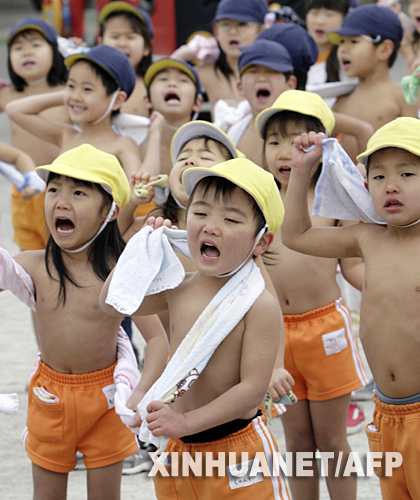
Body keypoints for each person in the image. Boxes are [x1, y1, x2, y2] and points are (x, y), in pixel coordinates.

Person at [100, 157, 291, 499]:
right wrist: (138, 251)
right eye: (200, 214)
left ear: (261, 242)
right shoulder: (179, 288)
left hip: (237, 449)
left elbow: (251, 389)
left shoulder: (260, 305)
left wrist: (186, 423)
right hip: (178, 450)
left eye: (231, 219)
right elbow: (112, 304)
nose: (210, 227)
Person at [0, 144, 168, 498]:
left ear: (110, 210)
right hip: (49, 395)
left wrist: (138, 393)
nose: (61, 201)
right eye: (54, 189)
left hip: (107, 400)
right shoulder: (33, 265)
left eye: (78, 192)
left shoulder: (122, 274)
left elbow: (157, 340)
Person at [281, 115, 420, 500]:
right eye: (378, 177)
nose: (391, 185)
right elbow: (296, 235)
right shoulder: (367, 237)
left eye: (407, 174)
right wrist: (301, 172)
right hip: (386, 411)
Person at [255, 89, 368, 500]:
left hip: (326, 331)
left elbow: (353, 267)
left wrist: (392, 284)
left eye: (298, 140)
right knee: (299, 443)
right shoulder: (259, 203)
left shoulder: (334, 201)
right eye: (274, 141)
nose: (285, 152)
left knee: (333, 442)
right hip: (276, 336)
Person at [5, 44, 143, 182]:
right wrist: (68, 96)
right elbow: (14, 110)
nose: (76, 96)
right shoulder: (67, 135)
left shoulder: (123, 145)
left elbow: (135, 193)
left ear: (117, 100)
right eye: (71, 85)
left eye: (87, 89)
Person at [0, 16, 67, 252]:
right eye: (18, 48)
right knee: (29, 251)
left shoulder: (69, 90)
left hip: (63, 190)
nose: (26, 52)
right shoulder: (7, 94)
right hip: (24, 189)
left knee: (63, 252)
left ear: (56, 51)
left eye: (36, 45)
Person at [331, 4, 418, 163]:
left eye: (354, 41)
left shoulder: (402, 97)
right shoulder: (341, 101)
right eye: (342, 42)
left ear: (384, 50)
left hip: (390, 185)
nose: (343, 49)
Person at [171, 0, 267, 120]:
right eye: (226, 24)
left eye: (242, 24)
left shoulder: (271, 73)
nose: (232, 31)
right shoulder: (208, 73)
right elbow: (165, 84)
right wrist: (182, 55)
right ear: (216, 32)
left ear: (262, 30)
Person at [226, 39, 296, 166]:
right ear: (240, 87)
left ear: (290, 84)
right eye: (253, 71)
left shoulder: (304, 129)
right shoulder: (233, 133)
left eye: (271, 71)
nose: (262, 78)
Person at [140, 58, 203, 176]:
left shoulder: (210, 147)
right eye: (163, 79)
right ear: (147, 100)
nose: (172, 83)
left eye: (183, 80)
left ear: (198, 103)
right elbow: (140, 188)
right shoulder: (134, 145)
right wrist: (155, 135)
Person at [97, 1, 154, 117]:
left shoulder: (152, 87)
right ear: (100, 43)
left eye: (130, 37)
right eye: (114, 36)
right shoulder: (90, 80)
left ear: (146, 47)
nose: (122, 43)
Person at [305, 0, 356, 108]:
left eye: (329, 15)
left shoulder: (349, 61)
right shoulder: (294, 56)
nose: (320, 21)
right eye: (314, 13)